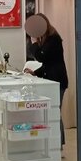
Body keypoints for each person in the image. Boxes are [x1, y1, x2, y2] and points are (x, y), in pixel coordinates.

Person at [24, 13, 68, 149]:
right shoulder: (46, 39)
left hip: (57, 81)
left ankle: (58, 143)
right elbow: (47, 63)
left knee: (54, 111)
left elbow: (42, 57)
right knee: (52, 111)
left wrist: (34, 43)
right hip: (52, 79)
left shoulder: (53, 39)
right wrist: (35, 73)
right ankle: (55, 142)